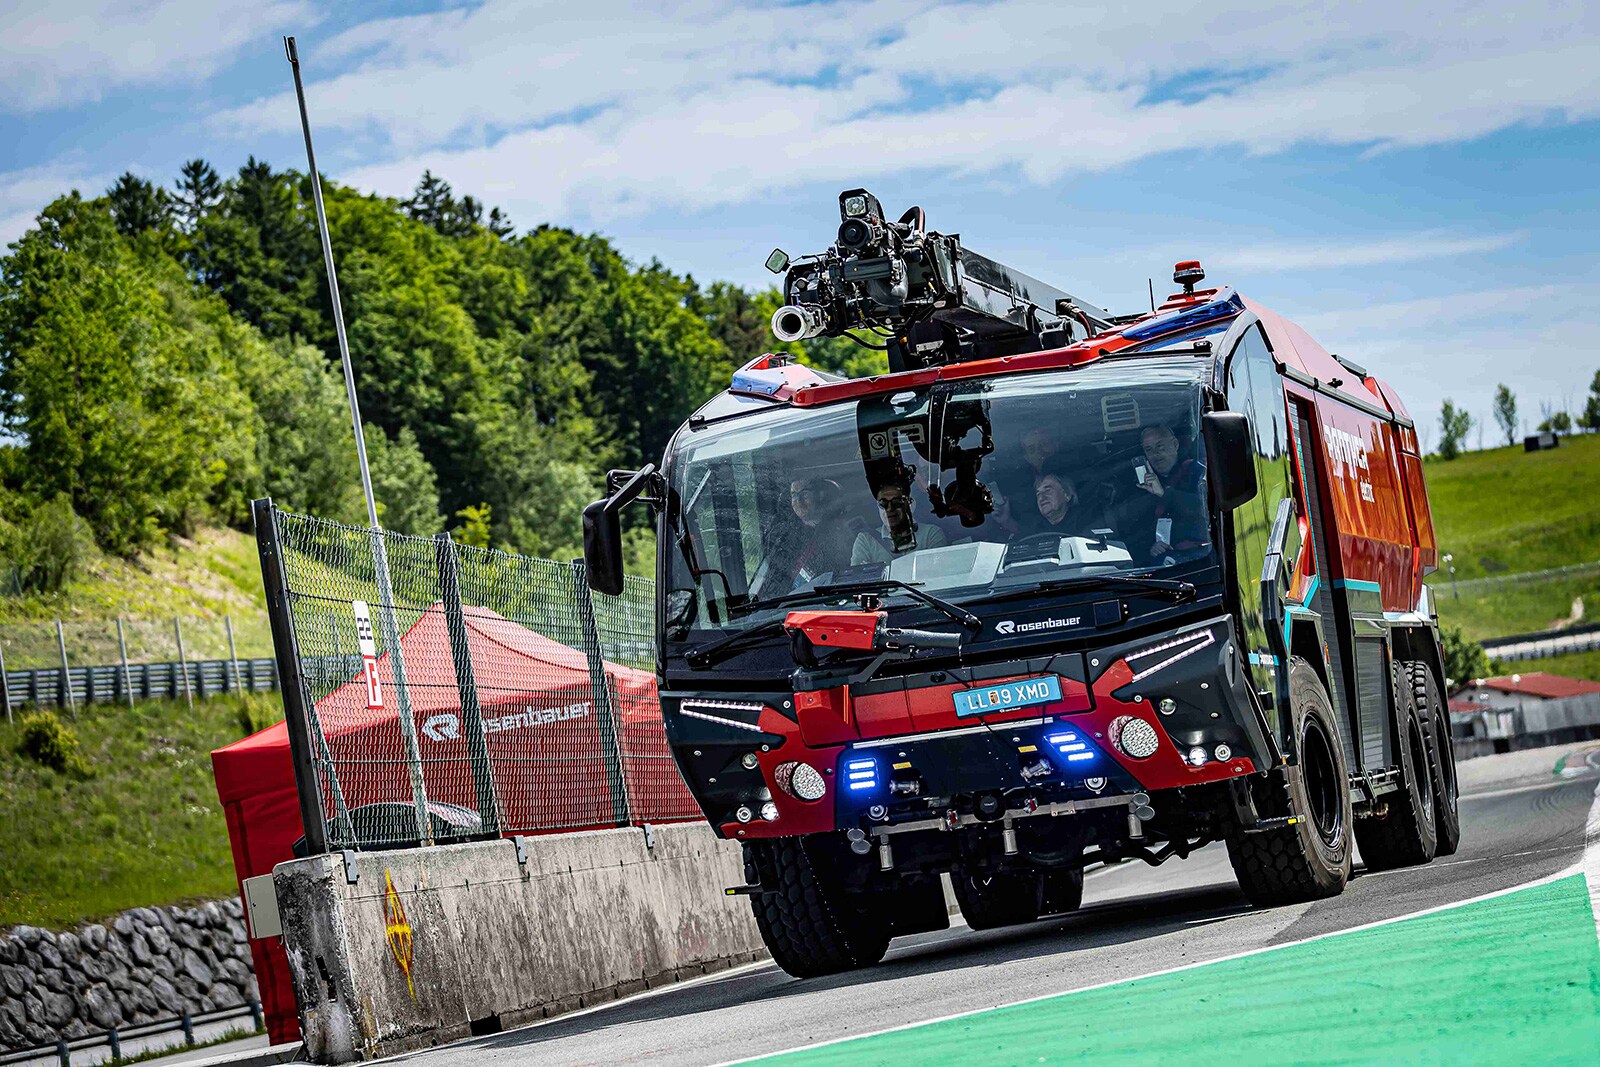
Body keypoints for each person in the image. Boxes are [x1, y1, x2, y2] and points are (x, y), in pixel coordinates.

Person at [1134, 425, 1207, 557]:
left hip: (1201, 558)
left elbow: (1204, 509)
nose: (1155, 453)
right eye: (1148, 449)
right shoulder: (1142, 488)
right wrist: (1151, 548)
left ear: (1175, 444)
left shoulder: (1198, 471)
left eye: (1160, 446)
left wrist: (1163, 494)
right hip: (1164, 565)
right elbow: (1135, 534)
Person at [778, 477, 857, 585]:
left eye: (805, 494)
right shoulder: (786, 534)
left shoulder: (840, 530)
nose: (799, 501)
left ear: (820, 495)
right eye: (794, 495)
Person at [851, 480, 948, 566]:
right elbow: (859, 580)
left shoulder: (931, 534)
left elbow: (937, 572)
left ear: (911, 505)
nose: (889, 509)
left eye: (896, 502)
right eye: (883, 504)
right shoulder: (865, 540)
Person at [1028, 472, 1105, 539]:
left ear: (1067, 495)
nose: (1041, 498)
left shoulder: (1089, 521)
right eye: (1038, 494)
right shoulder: (1034, 531)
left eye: (1048, 490)